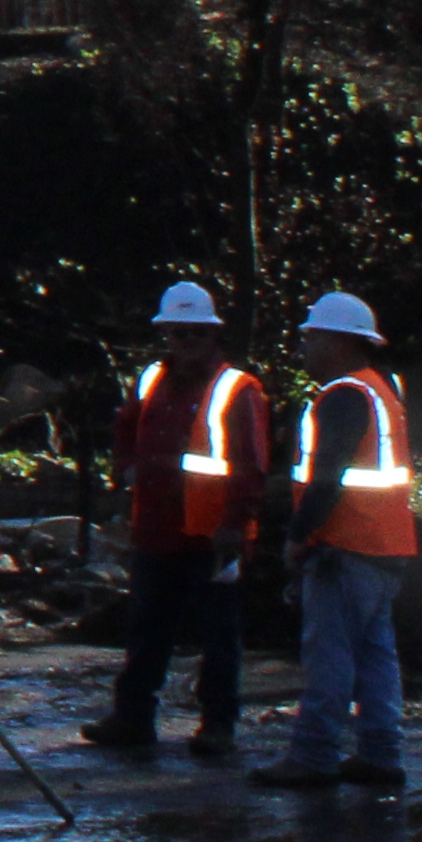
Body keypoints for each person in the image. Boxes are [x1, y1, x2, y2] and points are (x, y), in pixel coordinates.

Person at [80, 280, 268, 758]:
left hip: (212, 535)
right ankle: (133, 718)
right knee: (146, 628)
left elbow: (251, 466)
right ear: (167, 334)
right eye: (178, 333)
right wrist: (124, 468)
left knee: (219, 635)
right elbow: (125, 424)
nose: (186, 343)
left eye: (195, 334)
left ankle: (217, 725)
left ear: (211, 335)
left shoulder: (237, 389)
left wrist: (233, 525)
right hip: (158, 531)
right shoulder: (151, 379)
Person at [254, 288, 418, 793]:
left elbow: (327, 479)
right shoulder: (381, 389)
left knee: (329, 655)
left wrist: (299, 537)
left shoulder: (345, 395)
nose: (304, 348)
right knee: (375, 657)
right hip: (385, 547)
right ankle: (379, 754)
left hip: (345, 546)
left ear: (336, 342)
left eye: (310, 338)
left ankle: (314, 756)